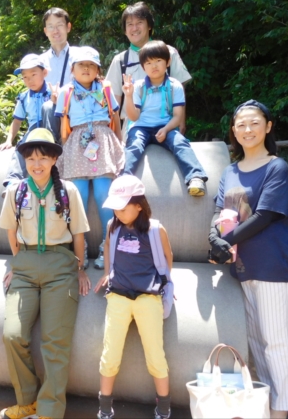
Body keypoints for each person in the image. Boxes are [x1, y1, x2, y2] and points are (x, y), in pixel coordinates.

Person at [209, 99, 288, 419]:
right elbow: (220, 211)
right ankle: (264, 403)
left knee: (275, 343)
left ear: (268, 127)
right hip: (242, 265)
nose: (247, 129)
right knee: (257, 343)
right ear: (233, 130)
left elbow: (264, 216)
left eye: (254, 123)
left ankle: (281, 410)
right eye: (241, 124)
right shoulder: (230, 171)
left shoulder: (277, 167)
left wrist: (224, 241)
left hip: (271, 263)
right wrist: (212, 236)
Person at [0, 128, 91, 419]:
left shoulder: (68, 191)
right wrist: (18, 264)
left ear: (53, 159)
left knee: (55, 342)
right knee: (12, 335)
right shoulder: (16, 190)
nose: (36, 164)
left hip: (61, 265)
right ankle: (27, 401)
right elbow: (11, 232)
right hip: (25, 267)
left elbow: (78, 234)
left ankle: (49, 410)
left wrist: (79, 269)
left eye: (43, 157)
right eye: (31, 158)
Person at [94, 174, 173, 419]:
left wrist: (166, 283)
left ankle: (164, 407)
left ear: (139, 205)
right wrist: (108, 272)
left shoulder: (155, 229)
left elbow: (168, 258)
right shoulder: (113, 227)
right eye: (115, 207)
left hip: (147, 297)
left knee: (155, 355)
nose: (117, 212)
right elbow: (107, 247)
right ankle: (104, 407)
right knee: (110, 354)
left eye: (123, 207)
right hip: (118, 295)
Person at [54, 46, 124, 270]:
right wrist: (64, 150)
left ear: (98, 69)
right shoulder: (66, 92)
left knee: (105, 194)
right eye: (81, 64)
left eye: (91, 65)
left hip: (102, 140)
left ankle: (108, 247)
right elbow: (62, 124)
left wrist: (120, 143)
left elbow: (114, 116)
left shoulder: (105, 88)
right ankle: (79, 249)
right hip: (77, 142)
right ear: (72, 69)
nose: (86, 68)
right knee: (78, 197)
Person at [122, 40, 207, 197]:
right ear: (143, 67)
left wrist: (166, 129)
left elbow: (177, 116)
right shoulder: (139, 86)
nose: (153, 66)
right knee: (134, 146)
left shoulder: (175, 85)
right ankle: (124, 180)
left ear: (168, 62)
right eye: (148, 63)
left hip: (166, 125)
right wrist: (128, 96)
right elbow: (134, 117)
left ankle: (195, 176)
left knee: (180, 143)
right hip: (141, 127)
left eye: (158, 61)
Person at [105, 1, 192, 138]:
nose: (134, 28)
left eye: (139, 22)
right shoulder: (120, 61)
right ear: (125, 30)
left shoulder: (169, 53)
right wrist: (115, 134)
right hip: (132, 130)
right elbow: (113, 102)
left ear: (149, 25)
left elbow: (179, 89)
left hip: (166, 128)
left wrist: (181, 122)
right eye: (130, 24)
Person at [0, 54, 60, 189]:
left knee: (48, 107)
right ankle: (12, 182)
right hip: (33, 131)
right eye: (25, 77)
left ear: (44, 72)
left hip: (50, 129)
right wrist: (8, 140)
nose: (29, 80)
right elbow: (17, 121)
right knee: (20, 148)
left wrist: (56, 100)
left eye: (33, 74)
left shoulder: (52, 92)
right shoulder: (24, 97)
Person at [40, 7, 78, 95]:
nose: (55, 31)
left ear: (68, 27)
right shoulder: (40, 62)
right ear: (45, 31)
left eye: (59, 25)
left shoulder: (80, 57)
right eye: (51, 26)